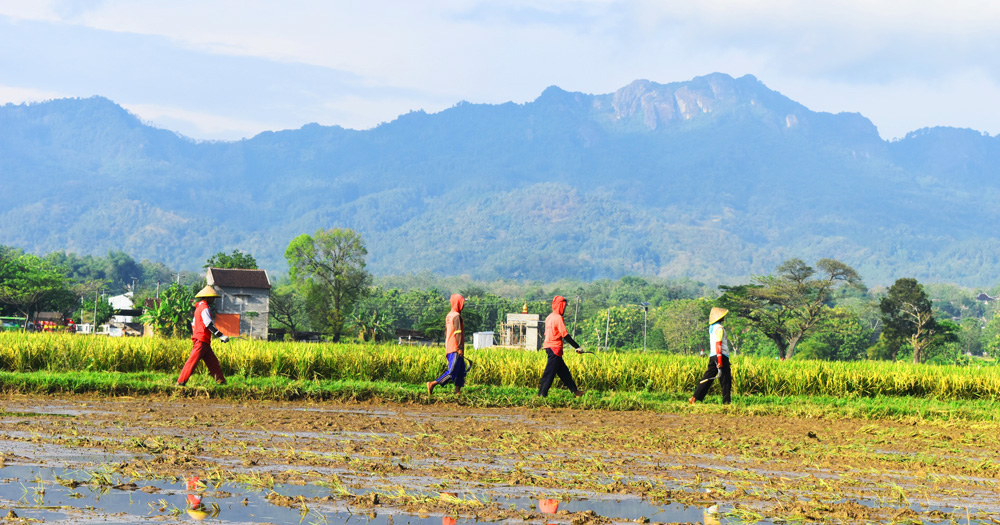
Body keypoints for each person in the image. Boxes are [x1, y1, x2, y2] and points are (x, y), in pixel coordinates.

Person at [176, 286, 230, 387]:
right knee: (192, 361)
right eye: (212, 297)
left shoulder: (198, 308)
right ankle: (180, 382)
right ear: (207, 297)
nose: (213, 300)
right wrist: (221, 336)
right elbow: (208, 324)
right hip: (201, 340)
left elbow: (193, 324)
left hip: (203, 340)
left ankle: (221, 381)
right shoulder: (205, 308)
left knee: (213, 362)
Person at [538, 295, 586, 398]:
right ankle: (541, 395)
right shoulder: (558, 318)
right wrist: (577, 347)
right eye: (564, 306)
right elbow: (565, 335)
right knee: (549, 373)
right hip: (555, 348)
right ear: (560, 305)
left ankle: (575, 391)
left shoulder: (549, 317)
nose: (564, 309)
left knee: (564, 372)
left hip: (548, 346)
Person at [690, 306, 732, 404]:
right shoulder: (719, 328)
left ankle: (694, 398)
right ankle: (726, 402)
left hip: (713, 356)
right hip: (720, 355)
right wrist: (720, 360)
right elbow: (718, 344)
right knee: (726, 380)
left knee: (708, 377)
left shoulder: (712, 328)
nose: (723, 317)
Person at [427, 294, 467, 395]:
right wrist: (460, 347)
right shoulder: (456, 316)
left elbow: (446, 333)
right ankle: (432, 384)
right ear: (458, 303)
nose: (463, 305)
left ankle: (457, 392)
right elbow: (458, 333)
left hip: (450, 346)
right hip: (455, 347)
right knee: (452, 371)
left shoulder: (449, 315)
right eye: (462, 303)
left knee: (461, 370)